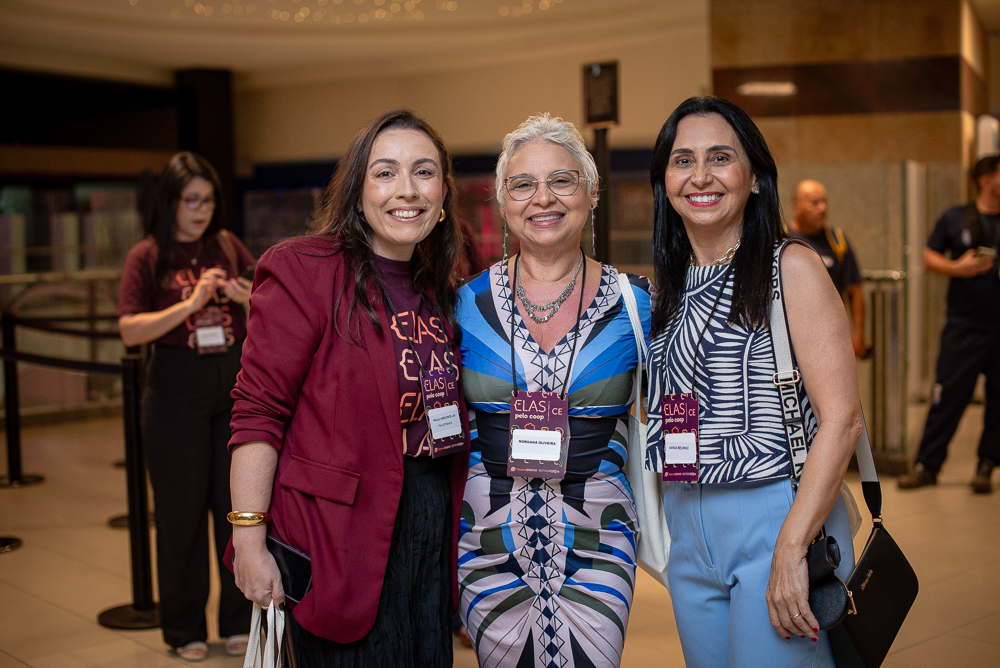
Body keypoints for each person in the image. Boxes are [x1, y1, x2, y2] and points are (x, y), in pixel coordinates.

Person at [227, 109, 470, 667]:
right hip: (339, 536)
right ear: (357, 190)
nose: (406, 190)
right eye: (385, 173)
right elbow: (258, 412)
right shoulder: (304, 271)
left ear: (443, 194)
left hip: (428, 522)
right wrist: (248, 538)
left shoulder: (441, 289)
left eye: (424, 172)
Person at [645, 97, 862, 667]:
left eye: (721, 157)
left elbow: (843, 419)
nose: (700, 176)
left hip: (774, 518)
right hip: (688, 524)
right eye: (682, 159)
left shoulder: (789, 266)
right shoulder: (669, 284)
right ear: (664, 179)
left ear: (757, 178)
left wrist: (790, 548)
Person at [456, 113, 651, 668]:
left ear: (591, 194)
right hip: (486, 537)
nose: (543, 198)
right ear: (503, 200)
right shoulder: (465, 305)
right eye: (523, 184)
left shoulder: (635, 305)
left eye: (562, 180)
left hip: (600, 534)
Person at [117, 151, 255, 661]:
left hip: (231, 387)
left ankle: (239, 619)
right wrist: (190, 305)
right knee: (180, 516)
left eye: (208, 199)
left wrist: (245, 297)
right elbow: (130, 328)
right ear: (169, 203)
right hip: (174, 392)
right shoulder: (148, 255)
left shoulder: (225, 244)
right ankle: (183, 627)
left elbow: (270, 299)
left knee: (236, 509)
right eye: (189, 200)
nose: (200, 210)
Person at [897, 155, 1000, 494]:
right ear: (985, 180)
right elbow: (928, 255)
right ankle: (928, 465)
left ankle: (986, 466)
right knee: (947, 397)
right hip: (964, 327)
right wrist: (958, 268)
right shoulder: (955, 218)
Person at [787, 179, 867, 357]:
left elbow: (855, 290)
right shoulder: (781, 239)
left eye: (824, 202)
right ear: (796, 207)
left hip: (831, 336)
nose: (822, 208)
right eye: (815, 203)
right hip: (790, 337)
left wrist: (859, 333)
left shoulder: (837, 240)